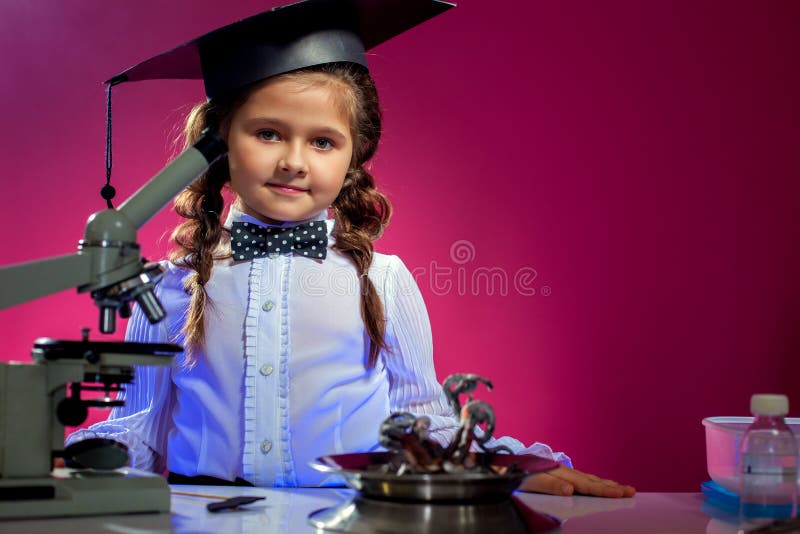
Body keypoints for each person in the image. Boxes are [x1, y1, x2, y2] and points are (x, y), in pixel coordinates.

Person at [67, 0, 634, 498]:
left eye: (322, 141)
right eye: (267, 133)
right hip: (202, 520)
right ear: (217, 142)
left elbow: (421, 420)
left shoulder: (382, 280)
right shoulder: (168, 286)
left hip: (345, 517)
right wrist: (75, 462)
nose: (293, 161)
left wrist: (508, 465)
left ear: (354, 155)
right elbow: (138, 421)